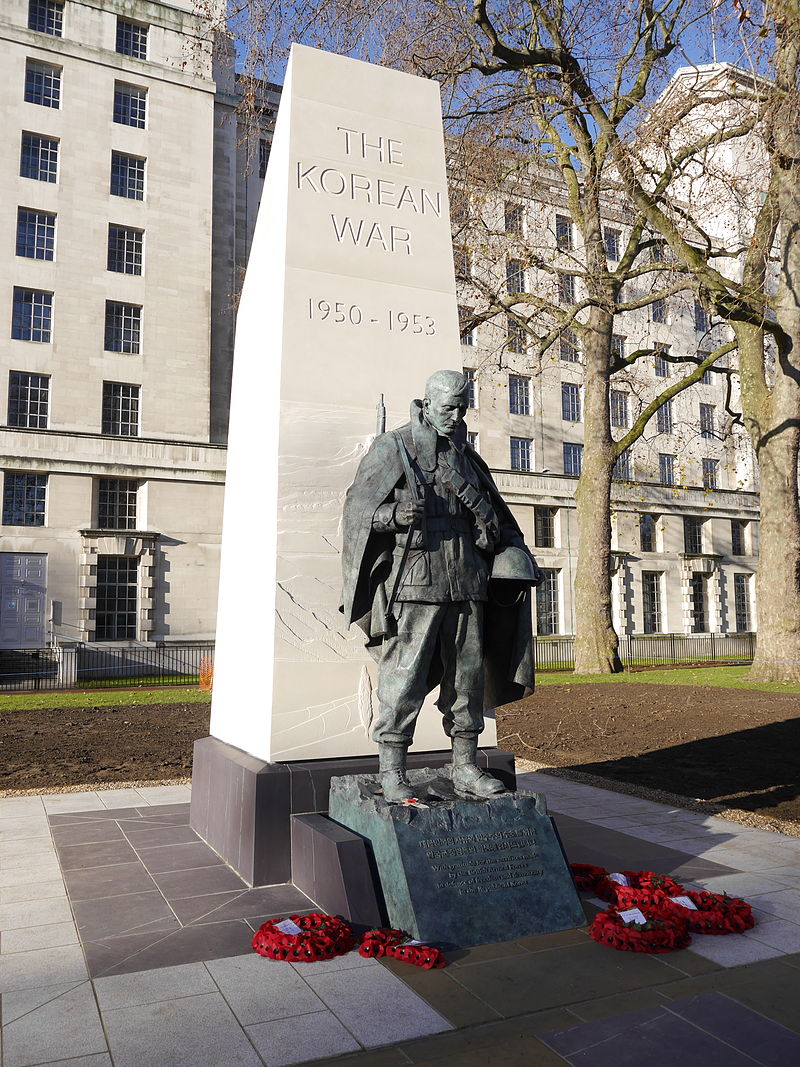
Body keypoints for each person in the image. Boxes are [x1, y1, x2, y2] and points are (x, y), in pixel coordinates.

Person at [341, 370, 540, 801]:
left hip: (468, 582)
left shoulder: (467, 457)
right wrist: (393, 517)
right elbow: (357, 513)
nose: (455, 415)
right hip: (416, 582)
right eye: (448, 407)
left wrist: (507, 550)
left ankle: (465, 766)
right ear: (427, 402)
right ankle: (393, 772)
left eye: (462, 407)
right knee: (403, 679)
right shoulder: (394, 447)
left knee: (466, 682)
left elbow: (497, 518)